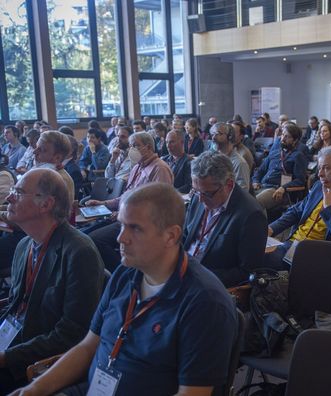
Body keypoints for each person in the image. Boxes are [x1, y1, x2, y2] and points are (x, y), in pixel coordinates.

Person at [11, 183, 237, 396]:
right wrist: (34, 390)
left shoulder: (205, 303)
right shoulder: (125, 274)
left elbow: (191, 393)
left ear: (171, 235)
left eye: (135, 228)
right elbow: (88, 347)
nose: (121, 238)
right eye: (121, 225)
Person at [0, 169, 104, 393]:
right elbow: (15, 306)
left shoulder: (79, 252)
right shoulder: (24, 245)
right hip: (13, 344)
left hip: (38, 365)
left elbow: (71, 335)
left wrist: (6, 357)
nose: (9, 197)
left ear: (46, 204)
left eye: (18, 192)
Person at [267, 146, 331, 269]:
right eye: (320, 168)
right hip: (292, 245)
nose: (319, 174)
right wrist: (271, 228)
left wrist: (329, 208)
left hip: (316, 254)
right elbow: (296, 210)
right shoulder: (318, 186)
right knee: (255, 254)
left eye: (326, 168)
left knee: (261, 264)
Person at [86, 132, 174, 271]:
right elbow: (127, 196)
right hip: (122, 216)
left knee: (96, 240)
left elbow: (159, 204)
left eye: (136, 145)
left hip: (139, 222)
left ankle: (123, 273)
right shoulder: (137, 167)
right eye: (131, 146)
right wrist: (104, 204)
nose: (132, 149)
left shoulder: (159, 168)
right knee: (85, 235)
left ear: (148, 147)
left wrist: (126, 215)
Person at [183, 152, 267, 287]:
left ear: (228, 184)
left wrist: (199, 276)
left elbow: (247, 272)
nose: (200, 199)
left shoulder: (251, 215)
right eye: (195, 191)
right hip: (184, 268)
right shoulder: (200, 193)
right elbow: (187, 235)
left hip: (209, 284)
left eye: (207, 194)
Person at [252, 123, 307, 212]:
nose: (282, 139)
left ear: (295, 140)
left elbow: (300, 180)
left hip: (278, 191)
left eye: (287, 137)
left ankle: (260, 226)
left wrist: (284, 188)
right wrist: (255, 181)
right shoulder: (274, 153)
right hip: (262, 186)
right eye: (282, 135)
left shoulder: (298, 156)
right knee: (241, 199)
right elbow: (260, 171)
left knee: (253, 203)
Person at [33, 131, 75, 204]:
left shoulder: (60, 180)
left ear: (57, 158)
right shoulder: (43, 173)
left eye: (42, 150)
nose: (34, 152)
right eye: (36, 147)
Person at [210, 122, 250, 191]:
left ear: (230, 136)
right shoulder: (214, 158)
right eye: (213, 134)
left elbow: (243, 192)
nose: (213, 137)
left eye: (218, 134)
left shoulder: (239, 163)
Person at [161, 128, 192, 194]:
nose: (168, 146)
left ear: (182, 142)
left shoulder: (189, 162)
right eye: (166, 142)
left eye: (172, 142)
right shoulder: (163, 160)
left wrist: (171, 193)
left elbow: (188, 186)